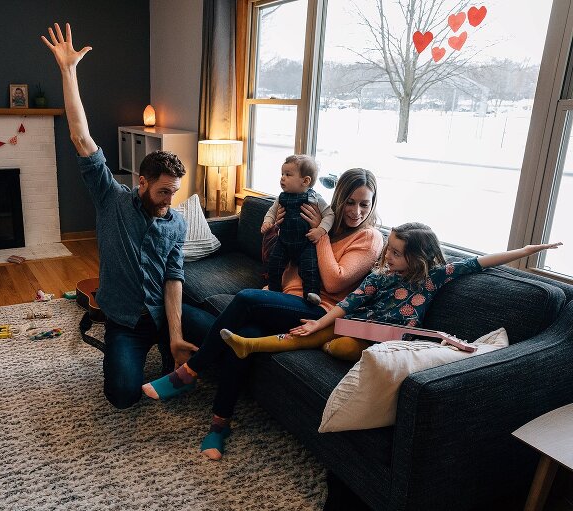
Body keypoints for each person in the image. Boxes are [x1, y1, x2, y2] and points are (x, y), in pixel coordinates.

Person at [143, 168, 384, 459]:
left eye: (364, 204)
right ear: (340, 198)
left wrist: (319, 235)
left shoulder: (369, 237)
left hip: (319, 313)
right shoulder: (324, 222)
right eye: (350, 202)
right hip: (286, 300)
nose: (356, 211)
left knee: (245, 298)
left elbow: (334, 281)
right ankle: (219, 425)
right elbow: (287, 262)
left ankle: (190, 371)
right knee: (240, 341)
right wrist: (276, 233)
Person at [41, 22, 198, 409]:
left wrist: (176, 336)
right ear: (142, 181)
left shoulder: (175, 222)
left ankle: (170, 356)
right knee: (123, 397)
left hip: (163, 319)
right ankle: (136, 362)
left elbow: (174, 277)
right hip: (125, 324)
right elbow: (81, 136)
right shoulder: (110, 197)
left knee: (218, 341)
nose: (169, 200)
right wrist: (68, 70)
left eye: (175, 193)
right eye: (163, 191)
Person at [221, 223, 562, 362]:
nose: (388, 256)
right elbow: (351, 302)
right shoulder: (382, 277)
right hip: (361, 326)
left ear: (419, 257)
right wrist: (318, 322)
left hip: (395, 339)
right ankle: (249, 345)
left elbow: (481, 262)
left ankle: (326, 343)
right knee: (315, 334)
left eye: (396, 253)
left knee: (339, 346)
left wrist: (527, 249)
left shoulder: (437, 276)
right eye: (390, 250)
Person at [261, 154, 334, 304]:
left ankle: (312, 293)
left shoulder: (315, 198)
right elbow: (271, 212)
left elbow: (330, 215)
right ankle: (274, 288)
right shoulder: (281, 197)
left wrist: (320, 230)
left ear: (305, 181)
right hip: (283, 242)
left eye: (288, 174)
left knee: (310, 268)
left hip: (305, 243)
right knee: (274, 265)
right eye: (282, 174)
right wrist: (267, 222)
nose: (282, 178)